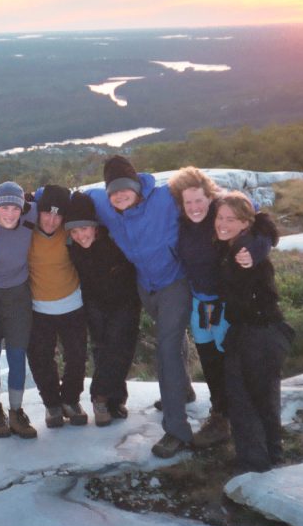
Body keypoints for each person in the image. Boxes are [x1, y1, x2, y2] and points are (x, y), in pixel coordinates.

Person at [82, 155, 193, 458]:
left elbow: (216, 203)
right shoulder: (105, 204)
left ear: (136, 186)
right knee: (171, 336)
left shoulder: (165, 198)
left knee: (167, 347)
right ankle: (183, 388)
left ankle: (177, 430)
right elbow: (69, 197)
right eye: (112, 190)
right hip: (146, 285)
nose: (119, 195)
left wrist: (257, 229)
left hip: (175, 281)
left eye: (124, 188)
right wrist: (22, 200)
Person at [168, 167, 270, 448]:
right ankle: (220, 415)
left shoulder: (222, 211)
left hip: (226, 302)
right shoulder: (180, 222)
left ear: (209, 196)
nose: (194, 207)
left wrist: (255, 249)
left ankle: (238, 414)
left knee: (230, 361)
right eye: (188, 202)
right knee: (209, 360)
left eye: (199, 200)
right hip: (200, 302)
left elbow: (261, 225)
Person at [215, 192, 293, 473]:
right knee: (262, 398)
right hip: (258, 331)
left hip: (259, 333)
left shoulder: (244, 250)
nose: (223, 224)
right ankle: (272, 456)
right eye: (220, 217)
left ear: (246, 222)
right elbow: (266, 227)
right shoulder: (237, 244)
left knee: (245, 401)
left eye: (231, 219)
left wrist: (258, 244)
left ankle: (256, 465)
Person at [65, 191, 140, 426]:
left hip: (125, 300)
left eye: (84, 229)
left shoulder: (113, 241)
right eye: (74, 232)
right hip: (95, 302)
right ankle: (107, 399)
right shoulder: (73, 247)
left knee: (121, 348)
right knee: (102, 349)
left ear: (95, 227)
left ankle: (107, 398)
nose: (80, 236)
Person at [0, 181, 38, 439]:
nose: (10, 213)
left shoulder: (30, 219)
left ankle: (16, 411)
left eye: (15, 207)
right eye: (4, 207)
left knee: (16, 354)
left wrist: (26, 196)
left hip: (18, 295)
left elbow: (45, 197)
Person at [26, 185, 89, 428]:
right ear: (38, 212)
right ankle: (52, 405)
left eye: (58, 214)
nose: (52, 220)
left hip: (72, 304)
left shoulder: (69, 232)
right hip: (39, 308)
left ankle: (71, 401)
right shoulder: (26, 232)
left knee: (76, 357)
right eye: (46, 213)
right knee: (41, 358)